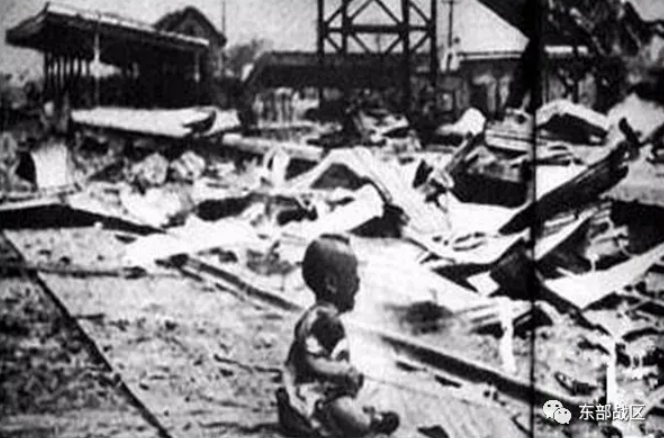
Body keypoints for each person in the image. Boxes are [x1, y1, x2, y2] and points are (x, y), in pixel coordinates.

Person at [276, 234, 400, 437]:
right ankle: (368, 423)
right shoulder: (323, 321)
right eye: (352, 275)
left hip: (320, 390)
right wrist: (342, 371)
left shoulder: (322, 317)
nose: (358, 282)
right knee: (347, 413)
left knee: (345, 404)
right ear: (332, 283)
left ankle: (362, 419)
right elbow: (312, 360)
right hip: (307, 396)